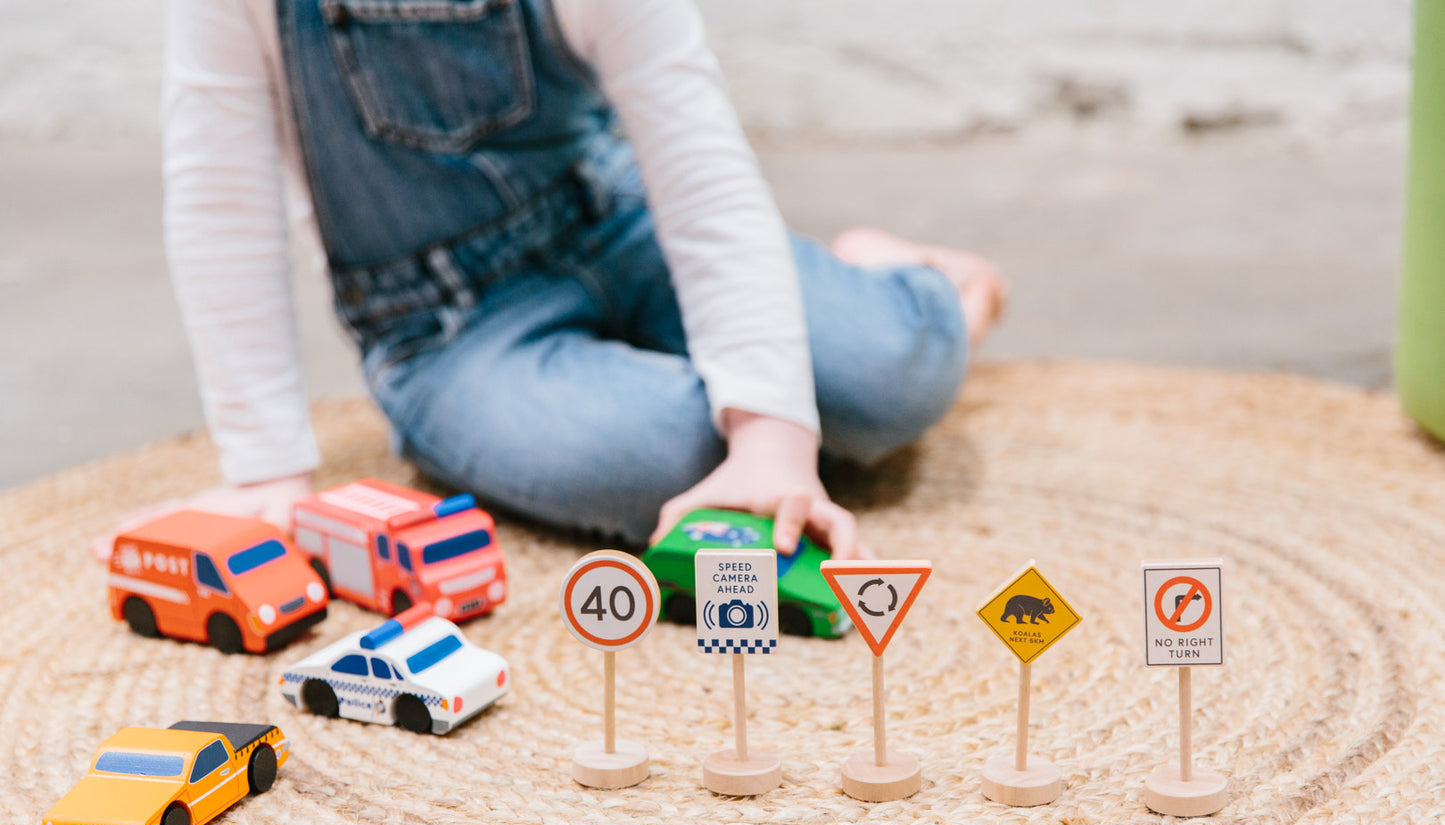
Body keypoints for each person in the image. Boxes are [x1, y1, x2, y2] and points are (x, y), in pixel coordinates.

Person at [123, 0, 1005, 562]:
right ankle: (716, 365)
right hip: (452, 329)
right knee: (666, 458)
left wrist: (773, 440)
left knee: (890, 376)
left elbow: (698, 174)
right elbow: (220, 203)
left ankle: (882, 276)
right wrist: (266, 465)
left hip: (621, 220)